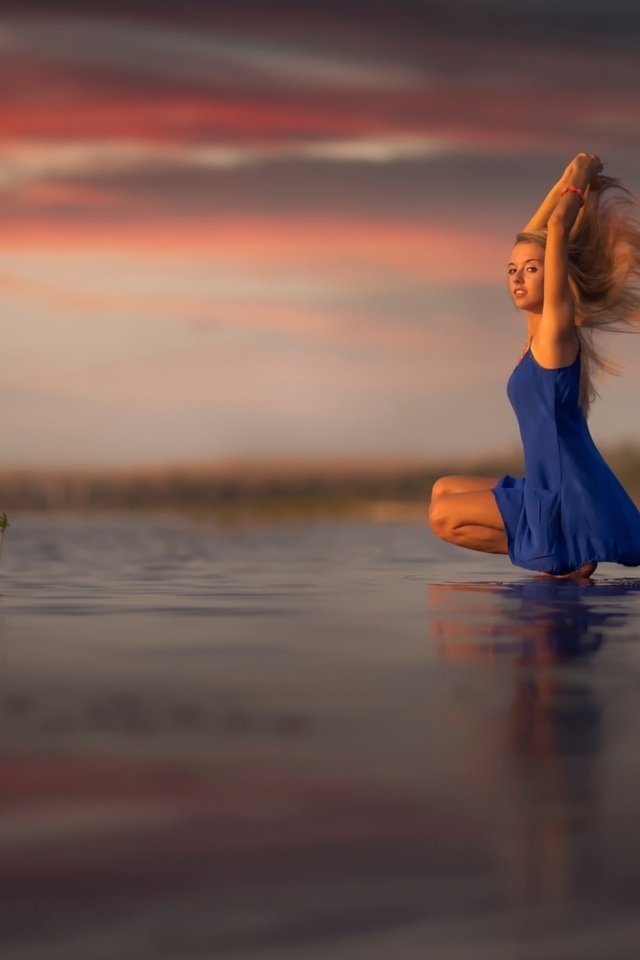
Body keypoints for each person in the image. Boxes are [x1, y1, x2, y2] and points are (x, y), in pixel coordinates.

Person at [429, 152, 640, 578]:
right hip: (547, 483)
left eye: (530, 269)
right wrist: (563, 181)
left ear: (556, 277)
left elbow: (556, 229)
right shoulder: (535, 331)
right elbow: (536, 233)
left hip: (563, 492)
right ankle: (557, 548)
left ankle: (556, 549)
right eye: (512, 270)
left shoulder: (556, 333)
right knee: (441, 489)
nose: (517, 278)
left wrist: (581, 176)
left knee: (442, 517)